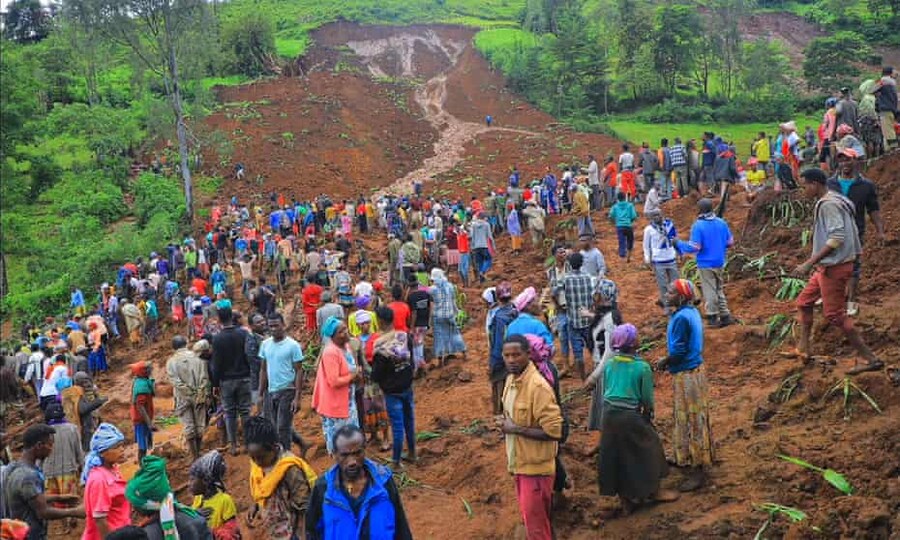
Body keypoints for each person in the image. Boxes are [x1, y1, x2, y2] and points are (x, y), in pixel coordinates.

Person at [794, 168, 884, 375]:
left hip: (834, 266)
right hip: (828, 266)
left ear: (815, 184)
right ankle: (803, 348)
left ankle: (871, 359)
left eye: (804, 186)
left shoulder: (829, 205)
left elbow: (836, 238)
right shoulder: (836, 198)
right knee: (804, 302)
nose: (803, 190)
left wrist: (809, 263)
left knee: (835, 315)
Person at [595, 325, 676, 512]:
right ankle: (654, 491)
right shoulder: (641, 367)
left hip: (608, 415)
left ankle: (625, 499)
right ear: (633, 344)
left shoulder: (610, 364)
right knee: (650, 447)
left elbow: (607, 390)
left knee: (616, 454)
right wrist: (647, 414)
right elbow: (646, 399)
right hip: (629, 415)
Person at [499, 335, 563, 540]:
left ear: (528, 354)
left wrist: (516, 429)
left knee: (536, 529)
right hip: (521, 464)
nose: (511, 360)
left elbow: (555, 431)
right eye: (507, 355)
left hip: (536, 471)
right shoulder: (511, 380)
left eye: (516, 355)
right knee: (537, 522)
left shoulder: (538, 388)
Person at [656, 280, 714, 492]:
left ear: (681, 297)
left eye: (671, 292)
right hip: (695, 371)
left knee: (690, 419)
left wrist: (664, 361)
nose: (667, 294)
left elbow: (679, 351)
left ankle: (697, 470)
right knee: (696, 416)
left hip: (687, 374)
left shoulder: (681, 318)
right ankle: (693, 456)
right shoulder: (690, 312)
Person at [306, 425, 412, 540]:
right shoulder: (323, 488)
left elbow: (400, 525)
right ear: (334, 454)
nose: (352, 461)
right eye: (345, 455)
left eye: (357, 453)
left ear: (364, 450)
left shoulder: (384, 482)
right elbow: (311, 531)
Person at [828, 149, 886, 316]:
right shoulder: (830, 184)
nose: (844, 164)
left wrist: (880, 231)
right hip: (832, 231)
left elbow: (873, 209)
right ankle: (832, 296)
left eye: (848, 160)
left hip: (855, 231)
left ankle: (851, 301)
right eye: (841, 160)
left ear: (856, 161)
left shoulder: (866, 185)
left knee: (853, 266)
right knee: (831, 263)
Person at [2, 424, 84, 540]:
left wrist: (59, 498)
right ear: (39, 445)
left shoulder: (16, 467)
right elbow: (43, 512)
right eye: (50, 445)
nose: (51, 449)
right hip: (29, 535)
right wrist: (75, 512)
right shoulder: (28, 476)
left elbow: (30, 498)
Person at [246, 416, 316, 540]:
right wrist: (255, 505)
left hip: (293, 530)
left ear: (274, 447)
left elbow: (304, 506)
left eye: (261, 457)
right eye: (253, 458)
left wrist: (303, 535)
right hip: (275, 528)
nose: (257, 462)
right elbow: (261, 489)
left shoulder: (290, 469)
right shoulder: (258, 465)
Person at [677, 199, 734, 328]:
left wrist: (679, 244)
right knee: (719, 288)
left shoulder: (698, 225)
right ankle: (725, 315)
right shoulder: (721, 222)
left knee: (710, 290)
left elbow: (694, 247)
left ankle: (712, 316)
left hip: (706, 263)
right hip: (719, 261)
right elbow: (730, 242)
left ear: (700, 210)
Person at [370, 308, 416, 468]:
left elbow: (376, 374)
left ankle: (396, 461)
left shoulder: (380, 345)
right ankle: (412, 453)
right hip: (407, 385)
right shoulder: (404, 336)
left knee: (397, 427)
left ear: (380, 321)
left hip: (392, 391)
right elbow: (411, 358)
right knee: (409, 421)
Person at [126, 456, 211, 539]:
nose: (133, 507)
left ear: (144, 507)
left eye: (134, 503)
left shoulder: (146, 535)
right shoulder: (194, 517)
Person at [311, 318, 362, 455]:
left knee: (351, 439)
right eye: (341, 331)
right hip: (335, 405)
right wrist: (353, 376)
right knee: (340, 443)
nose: (346, 332)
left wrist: (357, 374)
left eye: (345, 328)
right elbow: (333, 381)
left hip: (348, 402)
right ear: (332, 336)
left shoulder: (346, 347)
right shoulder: (330, 352)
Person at [258, 312, 305, 453]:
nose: (273, 329)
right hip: (271, 391)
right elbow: (263, 369)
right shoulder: (265, 344)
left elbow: (299, 371)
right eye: (270, 326)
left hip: (288, 389)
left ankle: (286, 456)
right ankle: (301, 443)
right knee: (275, 425)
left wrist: (297, 397)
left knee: (282, 427)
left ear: (283, 325)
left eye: (276, 326)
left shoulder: (293, 345)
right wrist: (260, 394)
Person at [582, 279, 622, 443]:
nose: (594, 298)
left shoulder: (610, 319)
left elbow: (610, 351)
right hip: (603, 368)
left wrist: (594, 376)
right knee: (604, 409)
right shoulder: (605, 315)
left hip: (606, 369)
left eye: (598, 295)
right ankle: (605, 443)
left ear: (605, 296)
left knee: (607, 409)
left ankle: (610, 444)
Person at [210, 304, 252, 455]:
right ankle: (247, 443)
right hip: (244, 377)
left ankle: (233, 445)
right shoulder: (243, 334)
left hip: (226, 381)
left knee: (230, 413)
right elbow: (249, 355)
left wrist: (215, 384)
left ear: (219, 319)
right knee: (245, 411)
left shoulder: (217, 338)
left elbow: (216, 364)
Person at [82, 423, 131, 540]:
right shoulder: (99, 479)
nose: (122, 449)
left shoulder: (113, 469)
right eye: (116, 447)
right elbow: (100, 521)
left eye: (122, 445)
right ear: (103, 452)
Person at [166, 335, 210, 460]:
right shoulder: (197, 357)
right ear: (186, 343)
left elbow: (175, 381)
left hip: (182, 397)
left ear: (173, 347)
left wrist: (188, 391)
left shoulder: (171, 362)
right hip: (199, 395)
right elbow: (204, 377)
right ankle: (199, 451)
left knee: (188, 426)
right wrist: (199, 392)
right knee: (200, 425)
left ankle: (194, 455)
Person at [554, 253, 594, 381]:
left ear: (570, 264)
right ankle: (596, 373)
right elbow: (595, 293)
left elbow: (554, 292)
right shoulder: (588, 277)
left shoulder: (566, 278)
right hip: (587, 319)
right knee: (592, 347)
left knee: (578, 353)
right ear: (582, 263)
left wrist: (560, 305)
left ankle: (583, 379)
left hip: (573, 320)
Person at [40, 404, 83, 519]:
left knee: (53, 501)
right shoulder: (72, 429)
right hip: (68, 470)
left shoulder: (43, 432)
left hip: (49, 472)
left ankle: (61, 523)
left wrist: (38, 470)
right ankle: (72, 519)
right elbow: (78, 451)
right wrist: (82, 466)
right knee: (71, 499)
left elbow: (39, 456)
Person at [189, 450, 241, 540]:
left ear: (205, 481)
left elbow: (233, 529)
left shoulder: (224, 500)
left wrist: (213, 533)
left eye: (192, 479)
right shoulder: (198, 498)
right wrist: (195, 514)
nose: (189, 484)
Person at [487, 283, 517, 414]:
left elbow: (497, 341)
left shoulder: (498, 316)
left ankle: (499, 414)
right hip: (517, 353)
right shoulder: (515, 311)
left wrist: (495, 361)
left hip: (501, 356)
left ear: (498, 298)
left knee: (499, 386)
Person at [642, 210, 680, 313]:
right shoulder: (649, 229)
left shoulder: (669, 225)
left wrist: (678, 252)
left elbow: (675, 239)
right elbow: (646, 246)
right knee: (662, 285)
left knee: (676, 284)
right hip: (658, 261)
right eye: (654, 215)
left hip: (671, 258)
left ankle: (677, 304)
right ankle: (666, 306)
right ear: (651, 218)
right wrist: (647, 258)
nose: (656, 217)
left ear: (662, 215)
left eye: (658, 214)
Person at [429, 268, 466, 366]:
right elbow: (453, 301)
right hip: (449, 314)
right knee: (455, 334)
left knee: (439, 337)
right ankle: (463, 352)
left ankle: (440, 360)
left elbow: (428, 298)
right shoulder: (450, 286)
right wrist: (457, 311)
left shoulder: (432, 289)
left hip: (438, 316)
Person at [129, 361, 156, 462]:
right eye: (149, 370)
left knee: (143, 444)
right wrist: (149, 423)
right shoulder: (141, 386)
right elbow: (140, 406)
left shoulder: (142, 381)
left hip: (143, 418)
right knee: (142, 446)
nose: (151, 371)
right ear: (143, 371)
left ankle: (143, 464)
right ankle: (142, 466)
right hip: (141, 420)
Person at [873, 66, 898, 151]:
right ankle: (888, 150)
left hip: (885, 109)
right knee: (888, 129)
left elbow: (872, 90)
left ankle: (893, 148)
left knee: (887, 130)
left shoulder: (883, 81)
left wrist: (877, 94)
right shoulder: (892, 82)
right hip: (892, 109)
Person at [608, 192, 638, 262]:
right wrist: (630, 221)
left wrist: (614, 222)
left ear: (618, 199)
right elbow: (634, 216)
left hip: (619, 226)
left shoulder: (615, 206)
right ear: (625, 197)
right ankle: (629, 256)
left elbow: (610, 216)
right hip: (628, 226)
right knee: (630, 240)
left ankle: (622, 257)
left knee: (621, 241)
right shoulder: (630, 205)